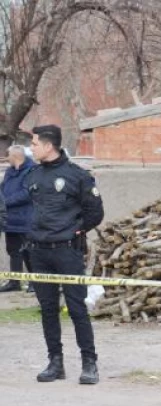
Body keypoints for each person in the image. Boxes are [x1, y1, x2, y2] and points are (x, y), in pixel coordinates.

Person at [25, 125, 104, 385]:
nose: (31, 148)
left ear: (48, 146)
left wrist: (75, 230)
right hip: (39, 252)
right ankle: (55, 362)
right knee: (48, 310)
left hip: (66, 251)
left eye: (35, 143)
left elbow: (95, 212)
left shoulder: (77, 176)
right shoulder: (33, 174)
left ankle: (89, 363)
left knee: (76, 308)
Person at [0, 145, 35, 293]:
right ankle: (15, 282)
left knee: (29, 252)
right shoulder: (9, 171)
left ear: (15, 157)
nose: (7, 159)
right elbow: (2, 189)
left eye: (8, 156)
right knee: (13, 251)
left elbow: (26, 194)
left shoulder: (32, 170)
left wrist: (4, 202)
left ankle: (35, 282)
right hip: (10, 221)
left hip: (26, 219)